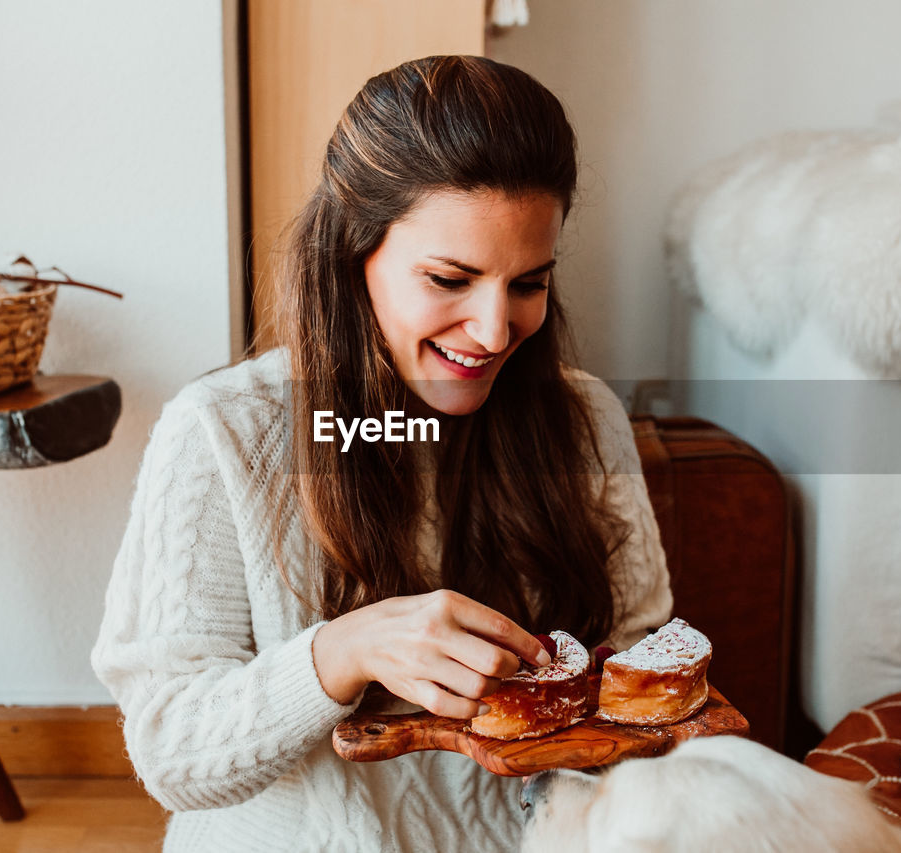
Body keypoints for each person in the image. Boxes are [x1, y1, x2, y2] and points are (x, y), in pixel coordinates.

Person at [91, 54, 672, 852]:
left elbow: (641, 656)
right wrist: (342, 652)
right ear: (354, 251)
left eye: (529, 283)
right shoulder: (225, 432)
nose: (495, 331)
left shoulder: (585, 420)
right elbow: (169, 753)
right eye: (447, 278)